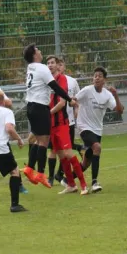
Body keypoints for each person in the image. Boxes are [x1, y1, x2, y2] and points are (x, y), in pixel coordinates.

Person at [22, 44, 76, 188]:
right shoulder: (41, 68)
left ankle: (29, 168)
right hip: (40, 107)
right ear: (34, 55)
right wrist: (70, 99)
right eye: (38, 50)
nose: (40, 51)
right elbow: (56, 87)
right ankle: (40, 174)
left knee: (36, 138)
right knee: (43, 142)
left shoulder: (30, 68)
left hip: (30, 106)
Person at [44, 55, 88, 195]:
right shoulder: (47, 81)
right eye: (48, 63)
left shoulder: (62, 80)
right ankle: (71, 185)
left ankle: (84, 185)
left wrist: (48, 113)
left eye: (52, 63)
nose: (50, 65)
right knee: (61, 156)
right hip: (51, 124)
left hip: (62, 123)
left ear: (58, 65)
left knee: (68, 153)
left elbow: (62, 102)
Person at [75, 67, 124, 192]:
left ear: (104, 80)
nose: (96, 78)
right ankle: (94, 182)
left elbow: (119, 110)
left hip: (97, 130)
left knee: (86, 162)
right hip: (84, 127)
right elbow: (74, 100)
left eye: (99, 76)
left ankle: (67, 179)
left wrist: (116, 95)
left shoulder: (107, 95)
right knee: (97, 147)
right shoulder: (87, 90)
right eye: (95, 75)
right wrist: (73, 106)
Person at [49, 58, 83, 184]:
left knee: (66, 150)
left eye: (61, 64)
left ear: (62, 66)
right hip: (54, 121)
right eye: (50, 63)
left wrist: (76, 111)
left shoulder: (71, 81)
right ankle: (53, 177)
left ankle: (62, 176)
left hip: (68, 120)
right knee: (56, 149)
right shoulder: (50, 80)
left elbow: (76, 99)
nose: (58, 67)